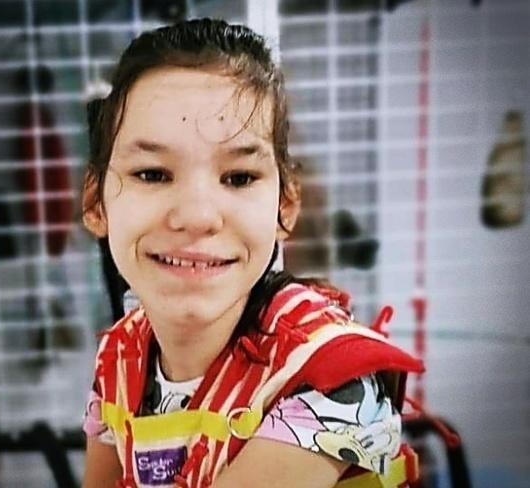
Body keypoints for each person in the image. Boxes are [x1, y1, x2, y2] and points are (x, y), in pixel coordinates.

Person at [81, 18, 424, 488]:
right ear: (95, 204)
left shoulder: (325, 374)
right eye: (153, 174)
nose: (197, 216)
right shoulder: (120, 357)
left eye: (239, 178)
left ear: (286, 205)